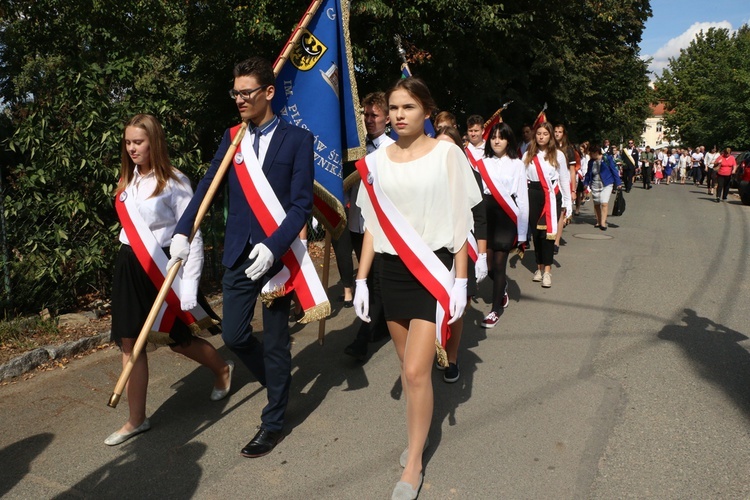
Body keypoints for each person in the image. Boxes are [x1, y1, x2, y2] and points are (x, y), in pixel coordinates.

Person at [169, 57, 315, 458]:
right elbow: (207, 187)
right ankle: (279, 387)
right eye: (235, 92)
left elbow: (301, 206)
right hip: (238, 252)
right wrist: (184, 230)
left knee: (276, 342)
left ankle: (273, 422)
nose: (239, 99)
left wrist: (274, 245)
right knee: (233, 334)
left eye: (246, 92)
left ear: (268, 92)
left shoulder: (298, 140)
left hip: (278, 256)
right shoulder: (232, 137)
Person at [353, 77, 481, 499]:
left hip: (433, 268)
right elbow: (373, 223)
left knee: (415, 370)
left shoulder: (448, 153)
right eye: (392, 107)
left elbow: (461, 218)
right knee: (409, 372)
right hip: (391, 271)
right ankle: (418, 432)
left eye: (407, 107)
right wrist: (361, 279)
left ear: (426, 110)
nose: (398, 115)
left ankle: (414, 460)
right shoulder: (377, 161)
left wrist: (461, 278)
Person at [106, 114, 232, 446]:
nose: (132, 148)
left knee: (178, 339)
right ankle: (136, 419)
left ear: (155, 142)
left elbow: (191, 233)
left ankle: (221, 370)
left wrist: (189, 283)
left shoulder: (174, 181)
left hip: (162, 268)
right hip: (129, 265)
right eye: (128, 142)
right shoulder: (127, 180)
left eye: (139, 142)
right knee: (129, 342)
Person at [343, 91, 394, 361]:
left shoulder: (392, 151)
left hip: (381, 228)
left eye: (375, 115)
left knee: (373, 282)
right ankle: (382, 324)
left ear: (387, 118)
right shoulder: (356, 148)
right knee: (368, 278)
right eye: (366, 115)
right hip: (357, 224)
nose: (369, 120)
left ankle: (361, 341)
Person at [434, 125, 487, 381]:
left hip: (462, 249)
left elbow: (480, 218)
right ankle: (437, 345)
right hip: (432, 250)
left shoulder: (471, 176)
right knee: (433, 305)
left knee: (457, 307)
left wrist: (483, 255)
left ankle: (451, 358)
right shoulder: (425, 175)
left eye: (449, 146)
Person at [475, 122, 528, 328]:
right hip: (486, 214)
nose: (497, 140)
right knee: (487, 265)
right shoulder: (481, 163)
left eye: (502, 137)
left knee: (499, 265)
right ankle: (502, 285)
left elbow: (522, 197)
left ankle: (495, 310)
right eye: (494, 137)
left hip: (507, 215)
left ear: (508, 141)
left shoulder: (517, 164)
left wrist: (522, 232)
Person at [523, 122, 567, 288]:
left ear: (550, 137)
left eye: (545, 134)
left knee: (548, 235)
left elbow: (563, 179)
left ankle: (547, 271)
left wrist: (567, 205)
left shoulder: (558, 155)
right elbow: (521, 177)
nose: (541, 136)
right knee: (536, 234)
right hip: (533, 194)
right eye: (539, 133)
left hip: (551, 195)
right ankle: (539, 268)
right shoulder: (528, 154)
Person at [583, 143, 622, 230]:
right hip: (595, 184)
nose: (590, 155)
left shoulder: (607, 158)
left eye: (592, 153)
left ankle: (603, 222)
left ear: (597, 152)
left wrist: (618, 183)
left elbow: (614, 170)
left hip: (606, 184)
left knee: (604, 203)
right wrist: (586, 183)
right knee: (597, 203)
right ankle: (598, 220)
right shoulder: (591, 162)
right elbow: (588, 174)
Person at [553, 124, 576, 254]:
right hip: (552, 182)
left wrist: (573, 190)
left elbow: (572, 171)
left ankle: (556, 241)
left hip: (564, 181)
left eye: (559, 132)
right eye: (555, 131)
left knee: (561, 211)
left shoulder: (568, 149)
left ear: (564, 134)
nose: (557, 134)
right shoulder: (549, 148)